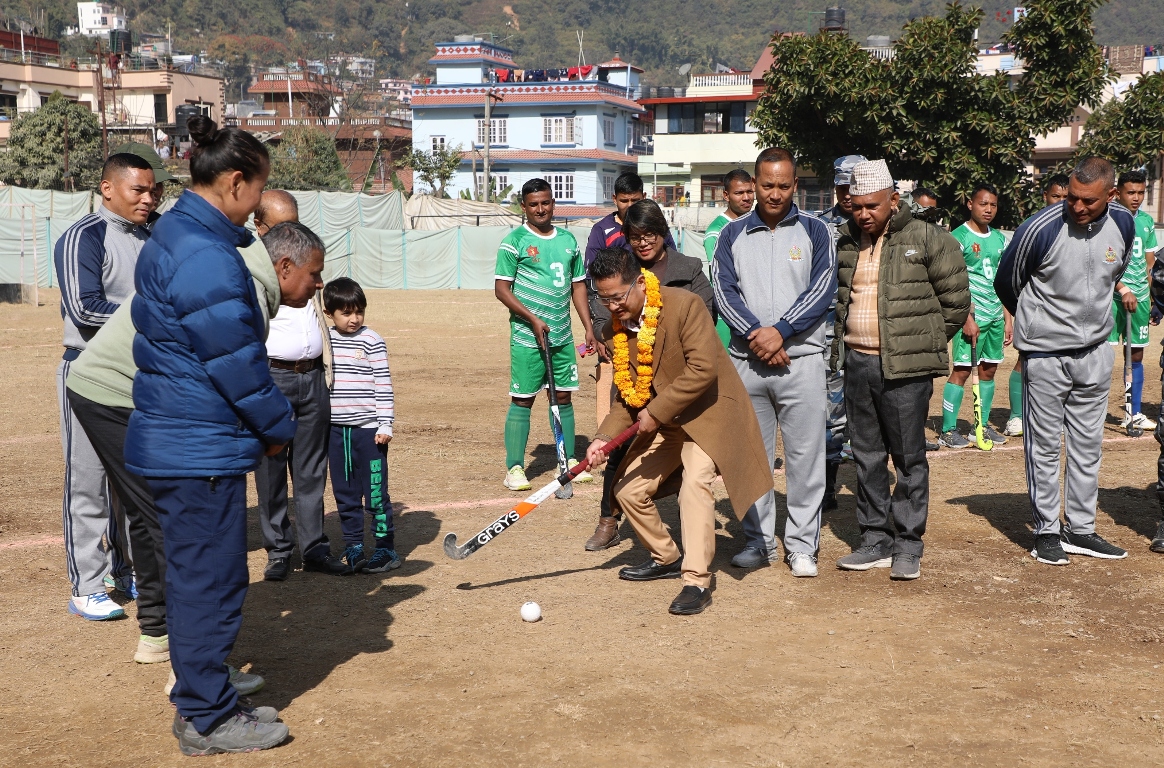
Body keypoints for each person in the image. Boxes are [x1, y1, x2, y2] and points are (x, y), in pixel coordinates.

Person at [65, 213, 319, 699]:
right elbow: (231, 372)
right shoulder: (238, 280)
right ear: (284, 266)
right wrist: (276, 428)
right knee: (177, 528)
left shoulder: (236, 265)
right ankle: (191, 670)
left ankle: (160, 636)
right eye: (314, 275)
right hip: (115, 395)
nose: (319, 286)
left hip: (113, 391)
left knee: (153, 518)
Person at [127, 116, 295, 754]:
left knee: (204, 575)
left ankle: (202, 693)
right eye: (258, 192)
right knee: (211, 580)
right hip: (196, 445)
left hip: (186, 438)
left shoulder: (177, 233)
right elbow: (237, 364)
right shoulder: (205, 255)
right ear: (232, 182)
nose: (258, 209)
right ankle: (206, 716)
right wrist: (279, 427)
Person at [585, 248, 774, 615]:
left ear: (640, 282)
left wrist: (655, 412)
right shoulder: (614, 330)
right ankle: (666, 556)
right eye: (603, 299)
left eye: (617, 297)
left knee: (695, 485)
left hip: (711, 416)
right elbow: (627, 398)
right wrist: (602, 439)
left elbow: (703, 370)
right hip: (669, 424)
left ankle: (696, 580)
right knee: (627, 490)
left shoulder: (685, 305)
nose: (611, 308)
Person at [995, 156, 1136, 566]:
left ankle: (1081, 528)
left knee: (1089, 445)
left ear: (1110, 195)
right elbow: (1008, 280)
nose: (1076, 207)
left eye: (1088, 201)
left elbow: (1115, 271)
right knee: (1043, 445)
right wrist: (1039, 324)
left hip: (1095, 351)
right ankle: (1046, 531)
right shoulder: (1040, 228)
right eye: (1072, 197)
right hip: (1045, 354)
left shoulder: (1124, 224)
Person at [833, 159, 969, 581]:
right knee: (867, 457)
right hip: (857, 363)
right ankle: (875, 538)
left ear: (894, 200)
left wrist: (918, 342)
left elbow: (955, 305)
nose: (863, 214)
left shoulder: (930, 238)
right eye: (856, 206)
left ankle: (909, 543)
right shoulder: (846, 242)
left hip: (906, 371)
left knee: (909, 458)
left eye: (872, 206)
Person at [712, 147, 836, 577]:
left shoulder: (817, 232)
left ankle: (802, 546)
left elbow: (822, 290)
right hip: (747, 364)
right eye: (767, 185)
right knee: (752, 459)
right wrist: (756, 335)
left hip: (801, 362)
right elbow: (724, 291)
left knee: (806, 460)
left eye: (784, 186)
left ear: (795, 185)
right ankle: (759, 542)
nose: (775, 193)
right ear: (755, 184)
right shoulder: (731, 236)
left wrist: (780, 331)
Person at [55, 152, 155, 620]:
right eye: (139, 190)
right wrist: (153, 316)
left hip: (142, 374)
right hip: (88, 371)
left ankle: (126, 568)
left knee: (134, 481)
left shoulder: (153, 236)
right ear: (108, 188)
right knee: (89, 483)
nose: (148, 199)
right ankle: (87, 584)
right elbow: (85, 308)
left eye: (154, 191)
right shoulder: (82, 236)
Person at [584, 201, 716, 551]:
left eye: (651, 234)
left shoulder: (688, 268)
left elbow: (705, 312)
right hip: (635, 374)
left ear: (664, 233)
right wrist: (610, 336)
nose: (644, 243)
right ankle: (608, 519)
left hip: (679, 378)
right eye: (636, 236)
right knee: (619, 448)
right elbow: (603, 314)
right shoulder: (619, 269)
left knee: (687, 455)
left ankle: (671, 504)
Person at [255, 189, 343, 581]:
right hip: (272, 378)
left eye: (295, 221)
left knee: (311, 470)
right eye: (281, 225)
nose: (292, 231)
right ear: (261, 227)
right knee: (270, 469)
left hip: (312, 378)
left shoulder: (304, 262)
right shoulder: (250, 273)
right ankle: (278, 549)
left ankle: (313, 547)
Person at [495, 178, 597, 491]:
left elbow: (578, 285)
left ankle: (566, 464)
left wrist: (588, 326)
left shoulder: (568, 240)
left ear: (553, 203)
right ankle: (514, 468)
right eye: (534, 204)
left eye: (546, 202)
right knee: (523, 399)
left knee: (563, 396)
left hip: (562, 338)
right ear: (524, 207)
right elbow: (501, 289)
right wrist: (532, 319)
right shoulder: (514, 241)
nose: (541, 209)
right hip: (528, 338)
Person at [585, 171, 677, 428]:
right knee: (622, 389)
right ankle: (614, 446)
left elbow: (671, 271)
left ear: (644, 197)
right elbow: (595, 285)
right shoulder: (601, 230)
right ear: (614, 199)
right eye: (624, 201)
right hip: (618, 325)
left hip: (655, 322)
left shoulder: (655, 229)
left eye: (635, 201)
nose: (629, 206)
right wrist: (601, 328)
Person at [323, 276, 400, 574]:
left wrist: (385, 425)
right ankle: (353, 546)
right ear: (330, 313)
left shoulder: (372, 341)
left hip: (370, 432)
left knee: (376, 494)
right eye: (346, 313)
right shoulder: (325, 340)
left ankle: (385, 549)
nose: (354, 319)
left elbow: (383, 384)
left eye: (359, 311)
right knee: (345, 492)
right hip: (336, 432)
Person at [938, 183, 1011, 449]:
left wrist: (1007, 317)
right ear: (970, 204)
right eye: (983, 203)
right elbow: (952, 282)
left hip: (994, 316)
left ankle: (980, 425)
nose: (988, 209)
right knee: (961, 371)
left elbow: (1002, 281)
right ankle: (947, 430)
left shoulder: (1001, 239)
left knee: (989, 369)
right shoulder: (958, 237)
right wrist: (966, 318)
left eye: (992, 204)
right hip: (969, 317)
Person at [1004, 173, 1074, 437]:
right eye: (1056, 196)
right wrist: (1021, 307)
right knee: (1027, 360)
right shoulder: (1032, 227)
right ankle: (1016, 417)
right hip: (1035, 307)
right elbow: (1012, 273)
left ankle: (1055, 416)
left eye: (1066, 197)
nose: (1061, 202)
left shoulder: (1076, 227)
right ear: (1045, 196)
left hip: (1066, 311)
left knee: (1064, 363)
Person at [818, 154, 866, 504]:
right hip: (831, 335)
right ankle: (829, 482)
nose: (846, 193)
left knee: (870, 408)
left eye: (852, 185)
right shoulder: (820, 228)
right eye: (840, 186)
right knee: (831, 409)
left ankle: (869, 483)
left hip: (871, 333)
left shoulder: (880, 226)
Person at [1108, 169, 1157, 431]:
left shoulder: (1147, 222)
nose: (1136, 197)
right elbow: (1101, 264)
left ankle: (1133, 411)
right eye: (1131, 192)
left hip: (1138, 299)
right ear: (1118, 193)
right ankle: (1088, 412)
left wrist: (1153, 299)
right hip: (1110, 297)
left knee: (1136, 354)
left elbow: (1149, 266)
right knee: (1099, 354)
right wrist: (1121, 287)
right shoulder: (1109, 219)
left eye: (1140, 192)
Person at [702, 168, 755, 347]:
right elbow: (723, 281)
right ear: (726, 195)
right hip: (730, 315)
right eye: (739, 193)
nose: (746, 197)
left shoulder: (757, 223)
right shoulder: (717, 233)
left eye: (749, 191)